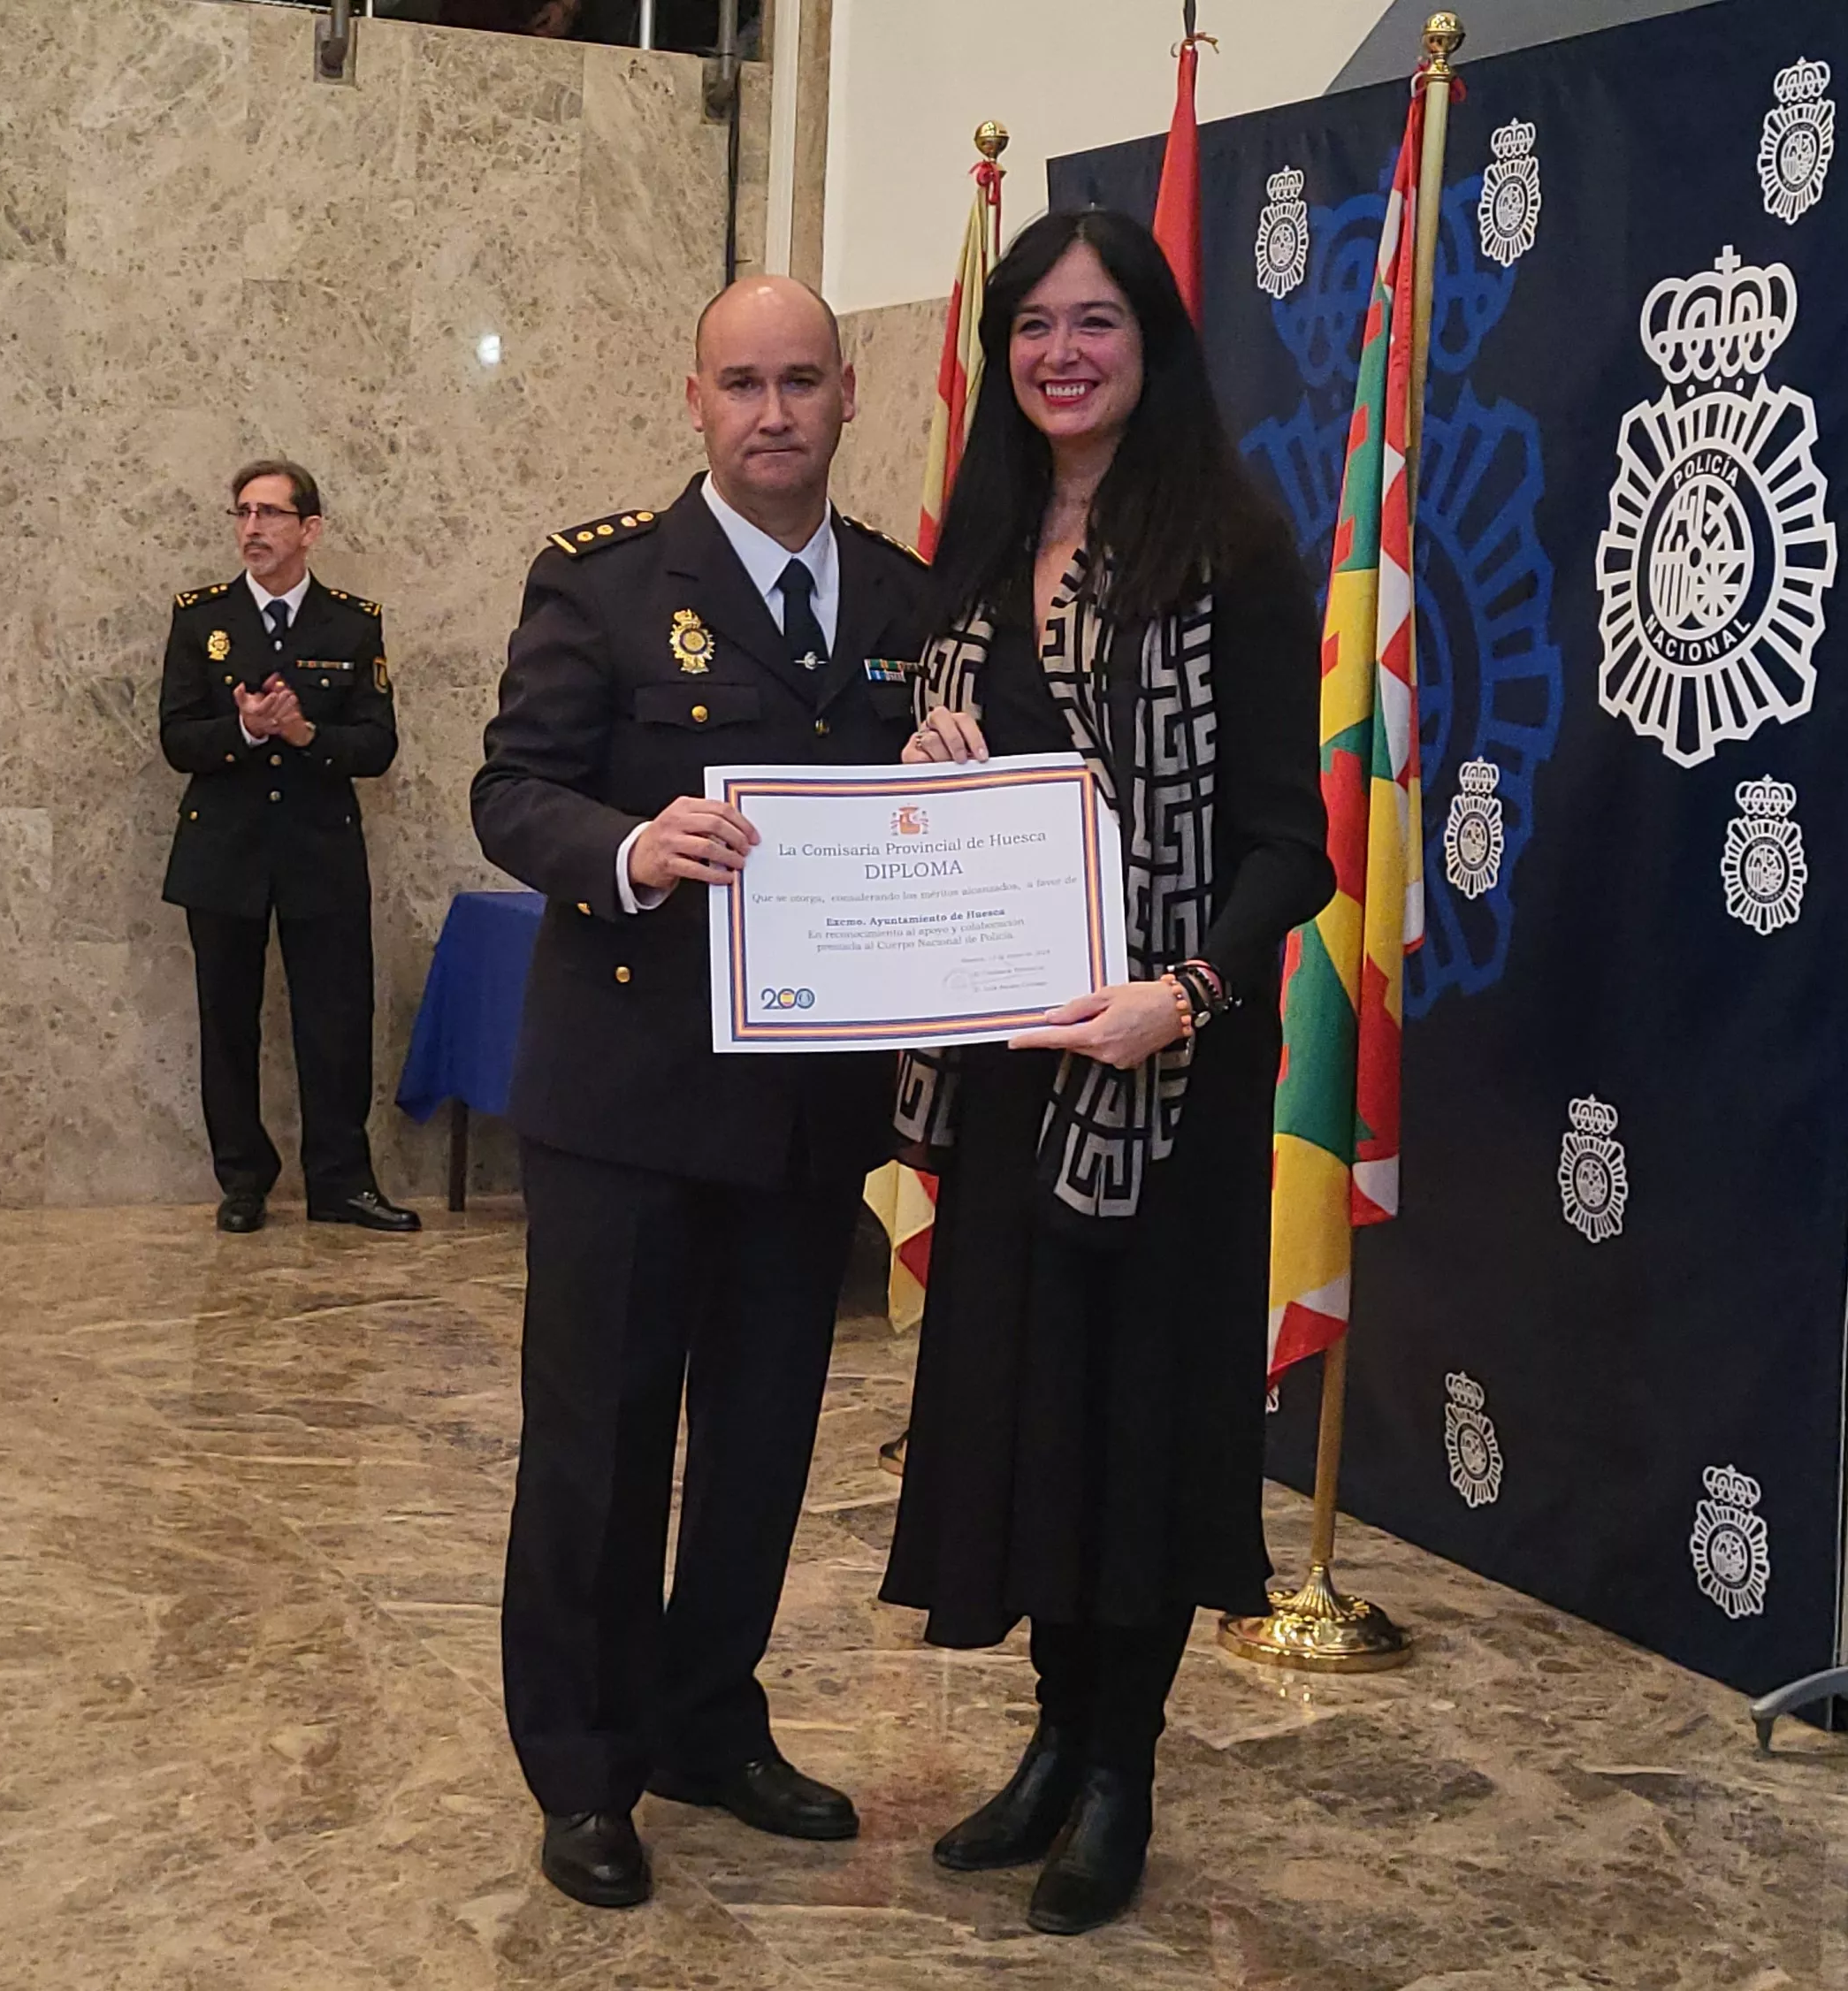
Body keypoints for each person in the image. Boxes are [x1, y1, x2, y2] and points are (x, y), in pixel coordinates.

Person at [880, 207, 1333, 1936]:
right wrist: (931, 752)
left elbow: (1291, 842)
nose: (1060, 354)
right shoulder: (980, 553)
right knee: (1035, 1413)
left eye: (1094, 323)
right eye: (1031, 328)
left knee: (1139, 1420)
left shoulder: (1232, 549)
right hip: (1012, 1067)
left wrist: (1185, 991)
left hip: (1170, 1076)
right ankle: (1052, 1740)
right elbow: (950, 790)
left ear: (1149, 342)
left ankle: (1122, 1767)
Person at [470, 277, 930, 1910]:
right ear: (693, 399)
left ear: (847, 393)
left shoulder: (901, 597)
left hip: (806, 1111)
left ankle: (704, 1718)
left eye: (800, 379)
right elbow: (509, 790)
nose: (772, 411)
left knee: (757, 1444)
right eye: (740, 382)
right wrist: (627, 850)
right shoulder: (598, 585)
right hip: (623, 1097)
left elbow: (928, 831)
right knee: (594, 1444)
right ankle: (585, 1766)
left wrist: (946, 785)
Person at [159, 461, 421, 1236]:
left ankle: (341, 1182)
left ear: (309, 530)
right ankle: (243, 1182)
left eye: (270, 515)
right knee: (227, 1023)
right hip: (225, 853)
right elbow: (177, 737)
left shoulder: (352, 622)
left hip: (319, 851)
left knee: (335, 1023)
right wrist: (245, 728)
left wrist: (307, 735)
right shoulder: (198, 618)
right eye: (242, 513)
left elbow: (377, 745)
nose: (252, 530)